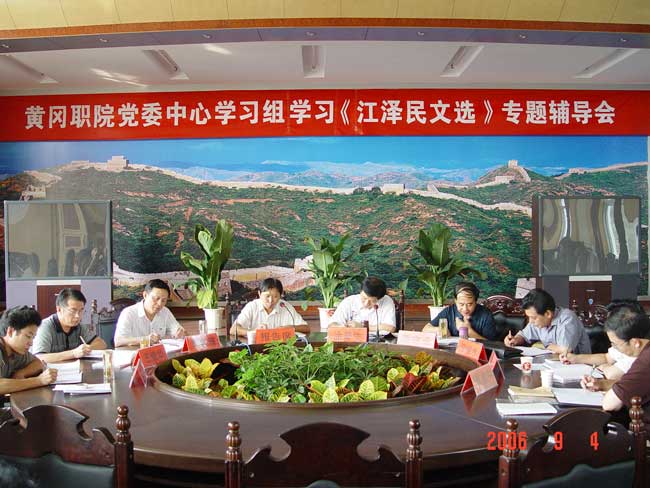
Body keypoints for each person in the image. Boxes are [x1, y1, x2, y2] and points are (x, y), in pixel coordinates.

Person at [580, 301, 650, 433]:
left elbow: (610, 404)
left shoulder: (646, 360)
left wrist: (612, 391)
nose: (615, 349)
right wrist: (602, 384)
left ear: (635, 342)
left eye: (616, 345)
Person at [504, 288, 591, 354]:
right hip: (552, 365)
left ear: (548, 314)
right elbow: (523, 335)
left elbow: (565, 350)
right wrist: (515, 340)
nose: (531, 321)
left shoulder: (567, 318)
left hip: (578, 368)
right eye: (529, 317)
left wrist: (543, 345)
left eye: (533, 318)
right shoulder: (539, 320)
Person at [32, 288, 107, 363]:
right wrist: (73, 353)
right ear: (59, 309)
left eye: (81, 310)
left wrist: (86, 349)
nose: (78, 316)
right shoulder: (45, 327)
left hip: (75, 369)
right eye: (73, 310)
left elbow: (101, 344)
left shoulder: (79, 326)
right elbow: (39, 358)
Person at [0, 306, 57, 396]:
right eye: (28, 336)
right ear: (10, 331)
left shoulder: (17, 351)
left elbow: (38, 363)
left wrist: (21, 372)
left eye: (33, 337)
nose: (31, 343)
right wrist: (39, 380)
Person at [114, 279, 186, 347]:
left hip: (157, 354)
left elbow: (178, 330)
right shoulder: (128, 313)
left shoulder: (165, 312)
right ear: (145, 295)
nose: (159, 304)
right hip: (134, 354)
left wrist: (180, 333)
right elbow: (118, 341)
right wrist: (145, 339)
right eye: (156, 299)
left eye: (163, 300)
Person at [230, 278, 309, 337]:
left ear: (280, 295)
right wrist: (255, 332)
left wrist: (291, 327)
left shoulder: (285, 306)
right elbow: (233, 330)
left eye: (275, 296)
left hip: (281, 348)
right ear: (259, 294)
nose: (271, 300)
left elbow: (306, 328)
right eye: (267, 296)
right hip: (255, 348)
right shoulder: (252, 306)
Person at [421, 282, 498, 340]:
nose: (465, 309)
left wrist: (468, 331)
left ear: (476, 301)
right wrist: (439, 330)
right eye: (461, 304)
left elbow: (492, 345)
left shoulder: (486, 314)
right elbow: (425, 329)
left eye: (470, 304)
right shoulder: (448, 311)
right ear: (455, 301)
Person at [329, 277, 396, 334]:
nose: (366, 303)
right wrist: (343, 327)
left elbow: (391, 328)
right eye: (364, 298)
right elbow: (332, 324)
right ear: (360, 291)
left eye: (372, 301)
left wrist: (362, 327)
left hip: (378, 342)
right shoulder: (349, 301)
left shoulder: (386, 301)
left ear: (380, 298)